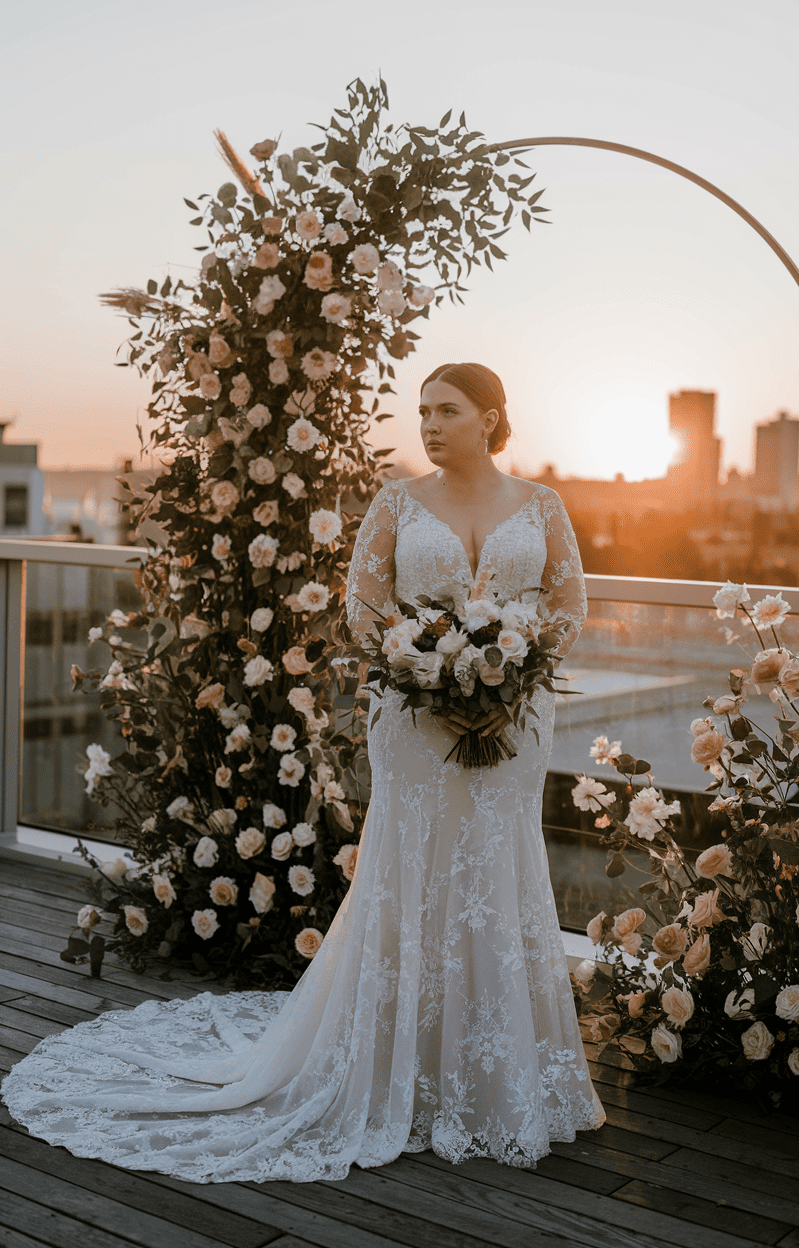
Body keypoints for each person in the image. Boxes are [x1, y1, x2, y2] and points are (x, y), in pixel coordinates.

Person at [1, 361, 604, 1183]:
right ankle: (395, 1058)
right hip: (416, 720)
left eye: (446, 411)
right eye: (422, 410)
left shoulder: (542, 505)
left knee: (498, 869)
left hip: (517, 723)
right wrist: (429, 675)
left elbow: (568, 607)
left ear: (491, 418)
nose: (428, 425)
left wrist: (514, 680)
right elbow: (363, 609)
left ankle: (494, 1069)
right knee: (410, 868)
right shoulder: (396, 503)